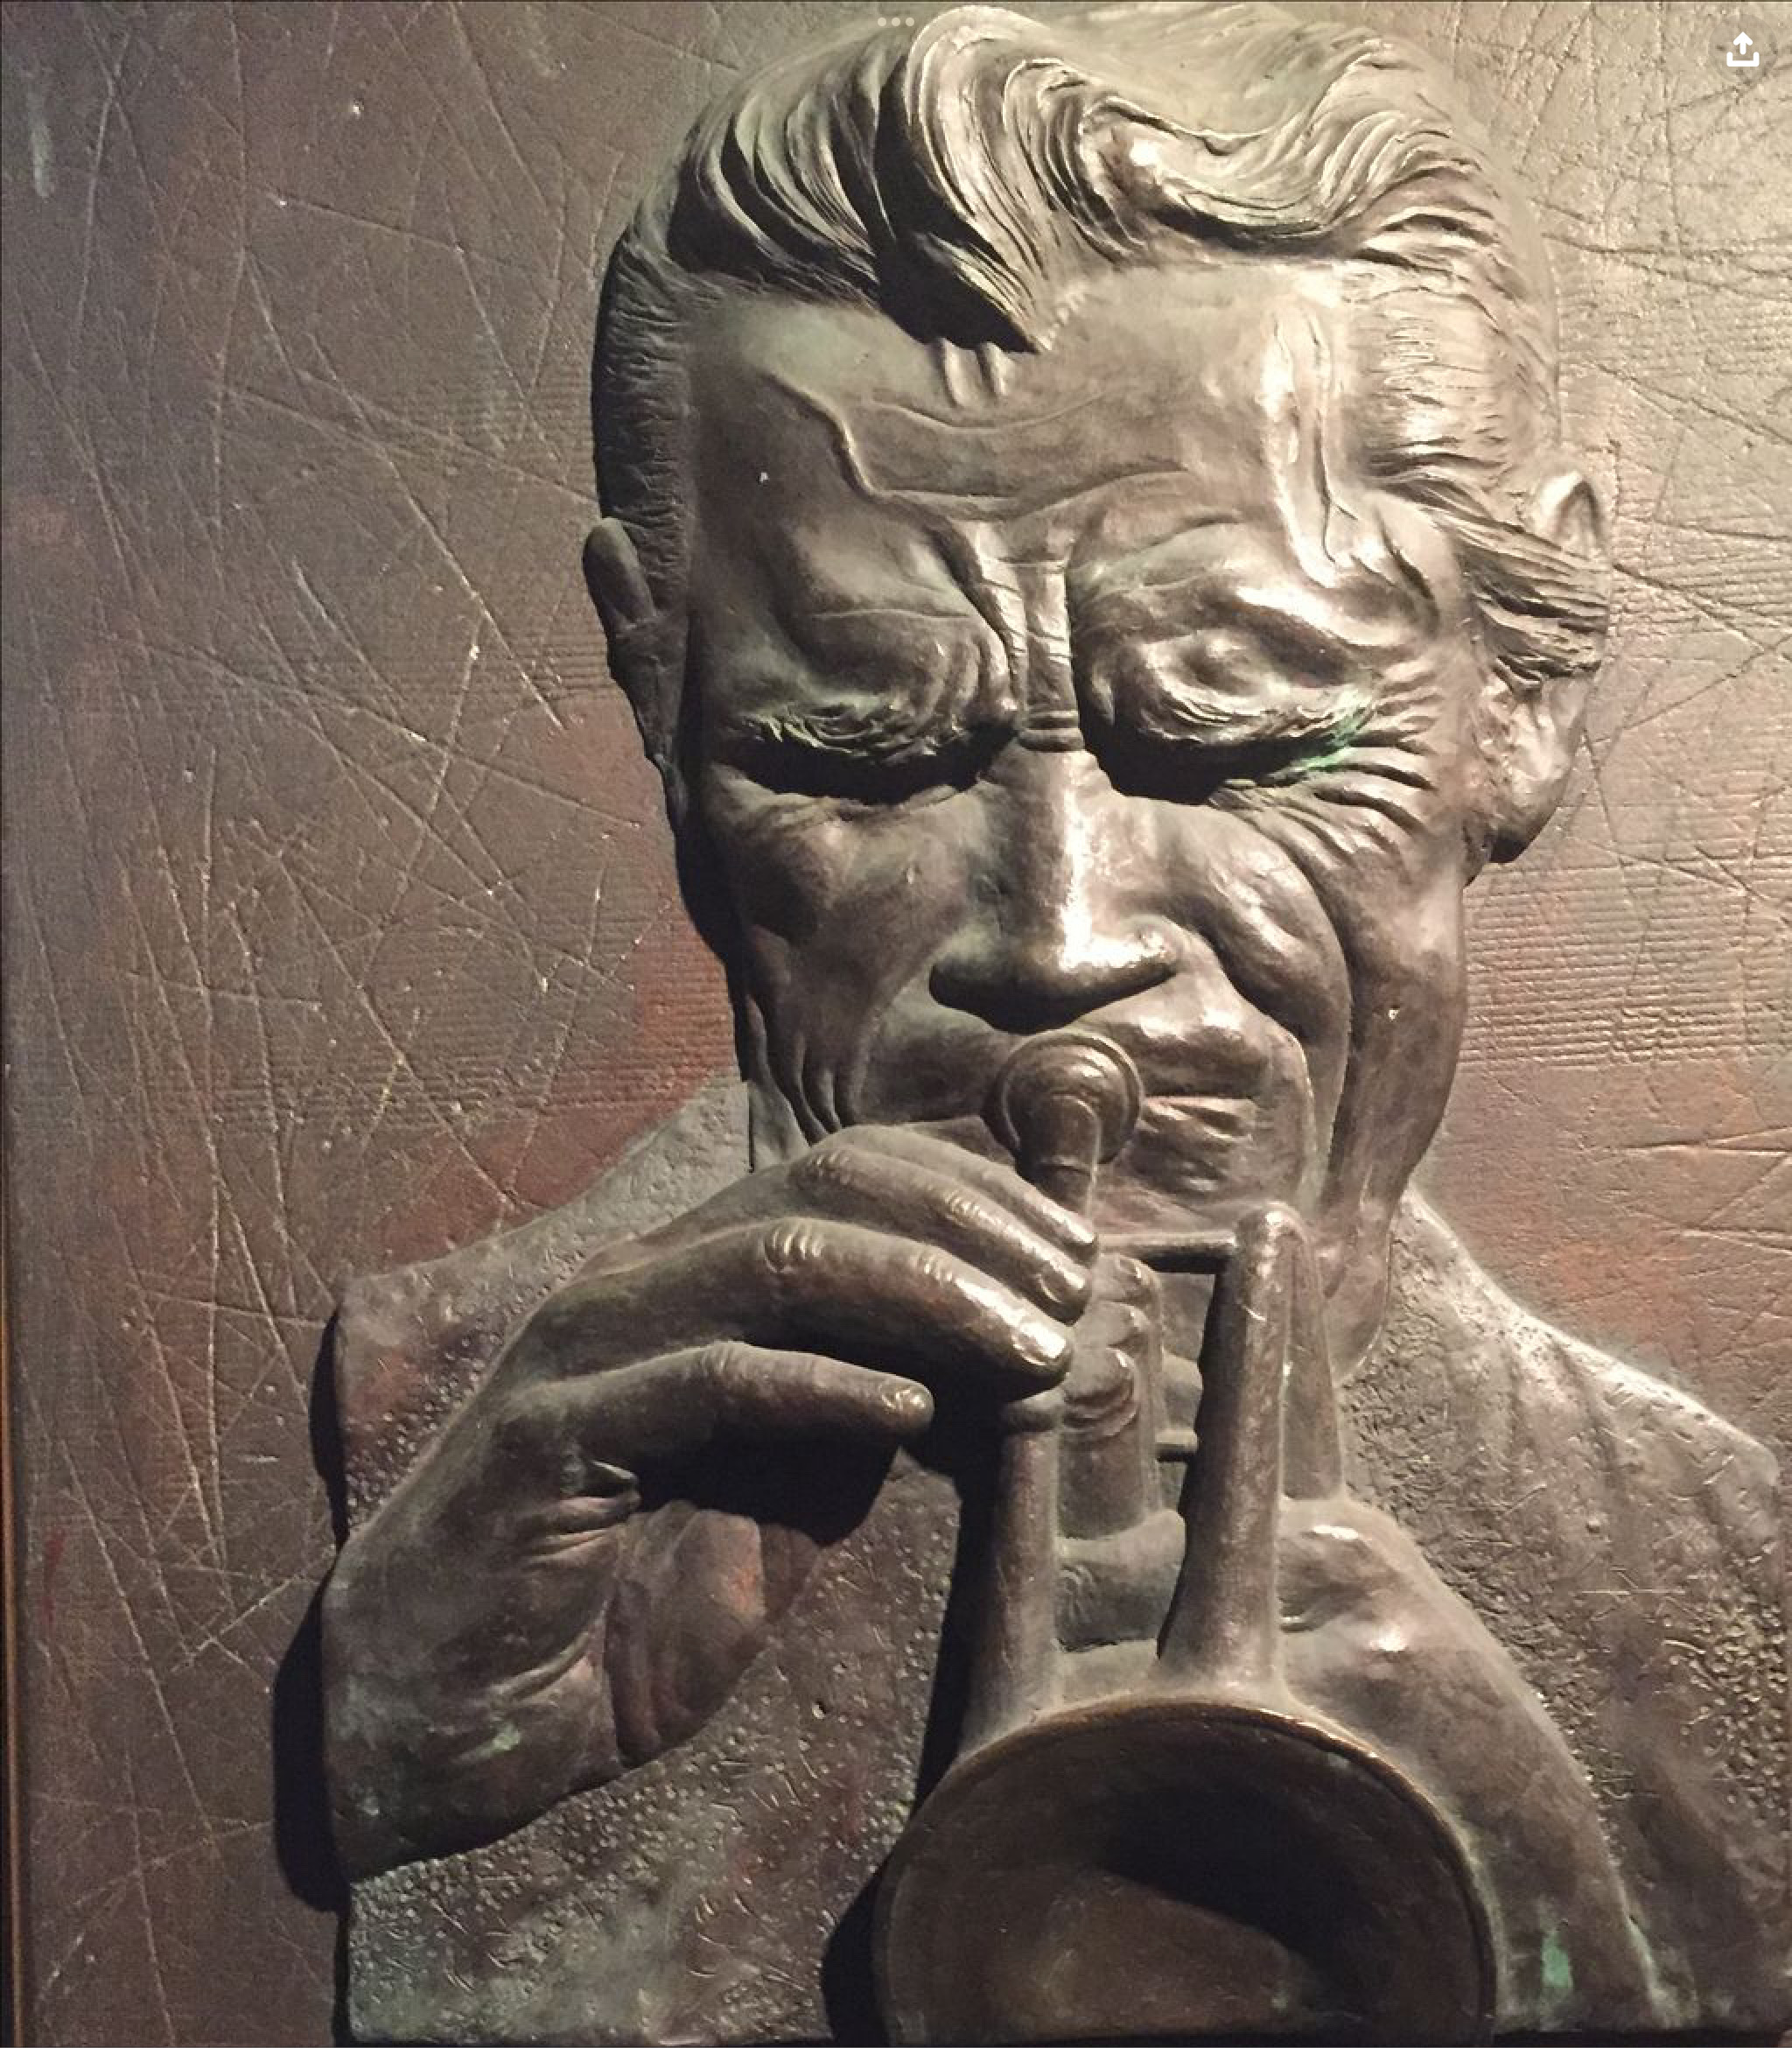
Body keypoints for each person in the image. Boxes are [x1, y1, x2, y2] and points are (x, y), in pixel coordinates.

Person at [323, 6, 1786, 2040]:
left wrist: (1592, 1939)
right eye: (852, 749)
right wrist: (400, 1776)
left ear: (1521, 693)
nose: (1060, 936)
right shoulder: (450, 1479)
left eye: (1247, 742)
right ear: (657, 678)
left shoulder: (1718, 1570)